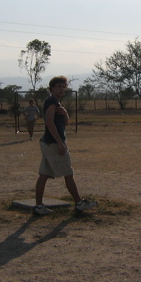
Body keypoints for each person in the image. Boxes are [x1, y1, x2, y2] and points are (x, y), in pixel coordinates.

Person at [33, 76, 97, 216]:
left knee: (43, 175)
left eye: (63, 86)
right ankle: (79, 203)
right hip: (53, 144)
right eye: (58, 86)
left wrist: (65, 113)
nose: (62, 89)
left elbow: (64, 123)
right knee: (68, 173)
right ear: (52, 88)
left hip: (50, 143)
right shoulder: (51, 101)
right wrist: (60, 143)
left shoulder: (57, 103)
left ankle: (38, 206)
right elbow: (49, 123)